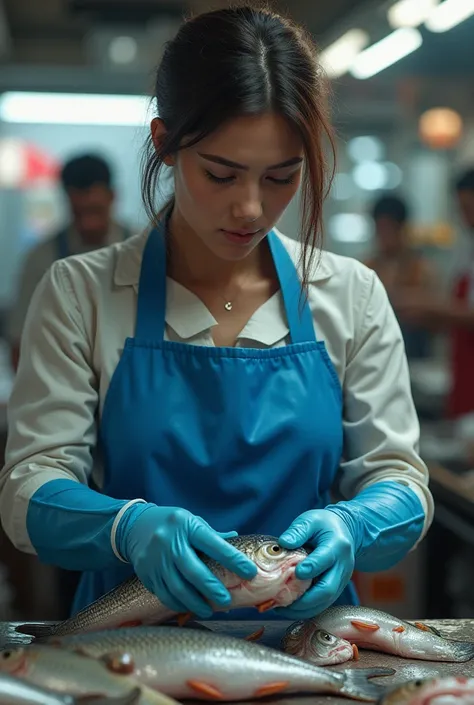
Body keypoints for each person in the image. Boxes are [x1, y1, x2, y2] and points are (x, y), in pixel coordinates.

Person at [0, 6, 433, 622]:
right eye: (221, 174)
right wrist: (124, 526)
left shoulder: (350, 294)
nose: (252, 209)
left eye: (282, 177)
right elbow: (26, 492)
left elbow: (402, 484)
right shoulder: (81, 292)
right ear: (165, 144)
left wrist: (355, 525)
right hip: (129, 656)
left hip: (312, 651)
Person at [6, 153, 131, 370]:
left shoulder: (146, 251)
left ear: (112, 196)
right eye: (79, 213)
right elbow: (19, 344)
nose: (88, 224)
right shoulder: (41, 259)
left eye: (95, 211)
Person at [395, 168, 474, 418]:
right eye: (461, 209)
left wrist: (428, 304)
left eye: (469, 208)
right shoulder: (466, 250)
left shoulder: (420, 266)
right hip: (463, 369)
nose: (465, 218)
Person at [365, 195, 436, 359]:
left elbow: (434, 318)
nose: (383, 236)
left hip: (414, 353)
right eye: (379, 229)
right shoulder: (367, 267)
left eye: (388, 228)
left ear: (401, 228)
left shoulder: (422, 268)